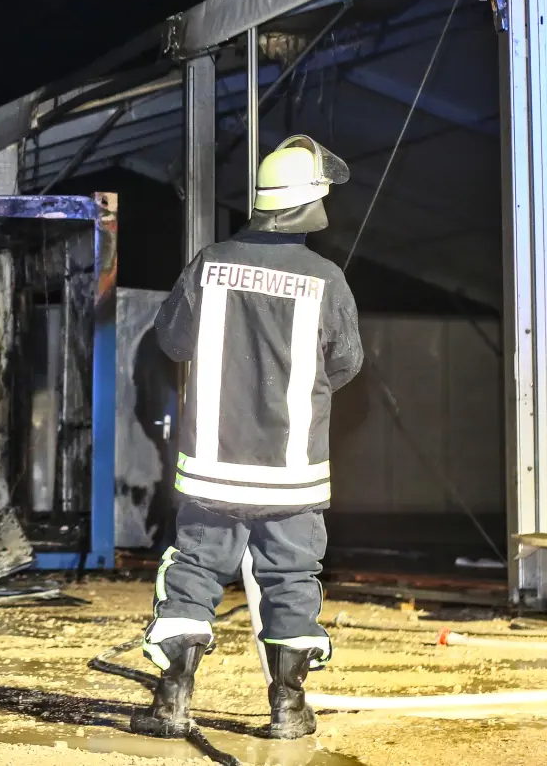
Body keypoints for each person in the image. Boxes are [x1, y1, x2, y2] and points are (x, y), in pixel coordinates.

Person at [132, 134, 363, 741]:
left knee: (193, 571)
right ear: (311, 204)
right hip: (293, 473)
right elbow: (346, 366)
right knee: (291, 580)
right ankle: (288, 710)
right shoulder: (327, 279)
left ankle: (171, 702)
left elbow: (172, 342)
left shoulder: (210, 265)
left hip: (214, 469)